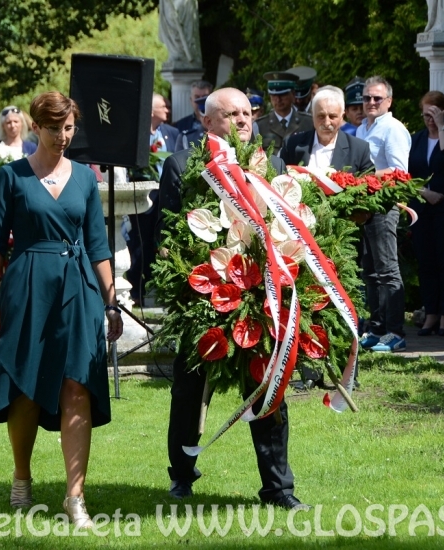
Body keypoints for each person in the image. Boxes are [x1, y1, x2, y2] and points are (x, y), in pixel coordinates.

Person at [157, 87, 308, 511]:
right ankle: (181, 474)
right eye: (232, 114)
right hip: (204, 296)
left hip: (262, 298)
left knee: (268, 388)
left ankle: (279, 489)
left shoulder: (272, 165)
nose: (243, 119)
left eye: (247, 112)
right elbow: (166, 239)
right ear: (207, 122)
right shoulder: (182, 165)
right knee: (189, 392)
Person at [0, 91, 122, 530]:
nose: (63, 136)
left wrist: (112, 301)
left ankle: (75, 498)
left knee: (77, 387)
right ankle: (21, 477)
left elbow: (98, 245)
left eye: (69, 128)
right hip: (26, 288)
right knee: (24, 387)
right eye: (54, 128)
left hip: (78, 289)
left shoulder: (85, 178)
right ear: (36, 127)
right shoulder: (11, 176)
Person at [355, 75, 411, 353]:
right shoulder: (361, 128)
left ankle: (395, 332)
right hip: (364, 207)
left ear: (389, 101)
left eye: (377, 98)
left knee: (388, 270)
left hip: (385, 205)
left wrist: (361, 177)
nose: (371, 102)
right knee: (370, 271)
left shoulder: (393, 128)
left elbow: (400, 172)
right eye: (367, 98)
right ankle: (377, 329)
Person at [408, 91, 444, 337]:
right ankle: (431, 313)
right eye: (426, 114)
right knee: (426, 261)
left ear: (443, 112)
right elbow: (406, 173)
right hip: (421, 207)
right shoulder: (416, 140)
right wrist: (423, 192)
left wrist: (441, 127)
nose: (429, 119)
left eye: (434, 114)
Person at [126, 93, 179, 303]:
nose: (167, 109)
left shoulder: (172, 133)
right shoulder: (135, 134)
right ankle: (137, 289)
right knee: (141, 244)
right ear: (150, 110)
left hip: (166, 197)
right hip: (142, 198)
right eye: (163, 106)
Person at [279, 85, 373, 173]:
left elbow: (368, 183)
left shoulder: (359, 150)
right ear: (313, 115)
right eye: (321, 116)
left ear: (342, 117)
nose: (327, 123)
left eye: (332, 116)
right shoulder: (292, 145)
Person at [256, 71, 314, 152]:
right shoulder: (260, 126)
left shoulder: (309, 122)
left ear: (293, 94)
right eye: (274, 95)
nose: (278, 100)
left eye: (282, 94)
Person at [174, 80, 213, 152]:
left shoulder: (219, 123)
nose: (201, 100)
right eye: (197, 97)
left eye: (205, 97)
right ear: (191, 100)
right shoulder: (180, 125)